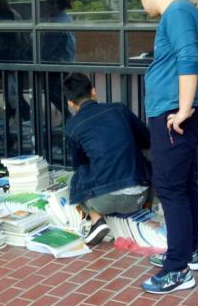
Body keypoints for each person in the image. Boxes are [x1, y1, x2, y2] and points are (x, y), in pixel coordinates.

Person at [136, 0, 198, 295]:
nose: (142, 4)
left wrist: (182, 109)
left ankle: (177, 268)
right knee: (183, 185)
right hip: (179, 112)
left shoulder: (176, 12)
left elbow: (188, 58)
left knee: (169, 188)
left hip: (174, 115)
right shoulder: (186, 12)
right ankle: (188, 251)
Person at [62, 73, 151, 246]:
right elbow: (146, 140)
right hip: (139, 196)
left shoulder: (72, 126)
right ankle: (148, 206)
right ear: (94, 91)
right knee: (142, 153)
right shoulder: (119, 109)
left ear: (70, 103)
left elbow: (79, 165)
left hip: (103, 202)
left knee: (73, 178)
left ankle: (96, 219)